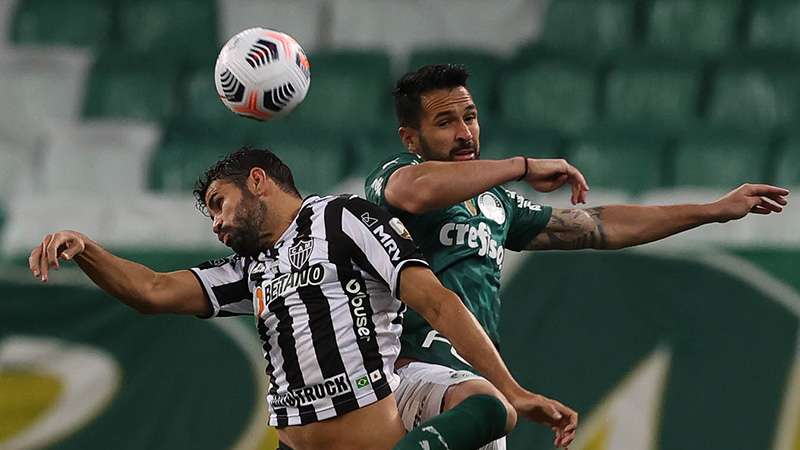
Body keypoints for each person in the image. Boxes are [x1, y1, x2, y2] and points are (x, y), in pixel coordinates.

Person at [28, 148, 577, 450]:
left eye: (220, 204)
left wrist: (513, 389)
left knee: (490, 410)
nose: (217, 224)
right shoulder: (247, 269)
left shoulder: (342, 219)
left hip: (374, 430)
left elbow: (433, 300)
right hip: (296, 445)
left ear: (259, 181)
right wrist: (87, 250)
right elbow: (151, 291)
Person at [364, 64, 791, 450]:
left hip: (479, 380)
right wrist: (522, 165)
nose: (465, 132)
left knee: (490, 409)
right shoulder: (395, 178)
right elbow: (417, 189)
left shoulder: (498, 205)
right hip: (411, 373)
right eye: (445, 122)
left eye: (470, 117)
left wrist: (713, 211)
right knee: (486, 407)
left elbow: (601, 226)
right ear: (411, 137)